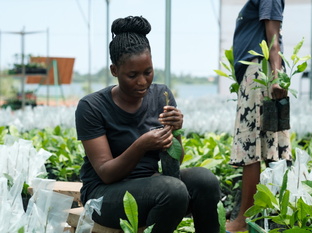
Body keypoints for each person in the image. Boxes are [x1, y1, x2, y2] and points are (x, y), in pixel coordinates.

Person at [75, 16, 220, 233]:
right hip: (103, 195)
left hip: (152, 185)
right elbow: (106, 173)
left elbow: (176, 161)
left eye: (148, 72)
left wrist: (176, 131)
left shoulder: (162, 95)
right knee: (173, 191)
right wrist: (141, 145)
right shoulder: (92, 107)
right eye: (132, 75)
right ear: (114, 70)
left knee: (205, 180)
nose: (142, 82)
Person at [226, 0, 291, 232]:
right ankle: (275, 216)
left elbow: (272, 37)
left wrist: (274, 75)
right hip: (257, 73)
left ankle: (244, 219)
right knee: (268, 145)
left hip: (259, 73)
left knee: (252, 145)